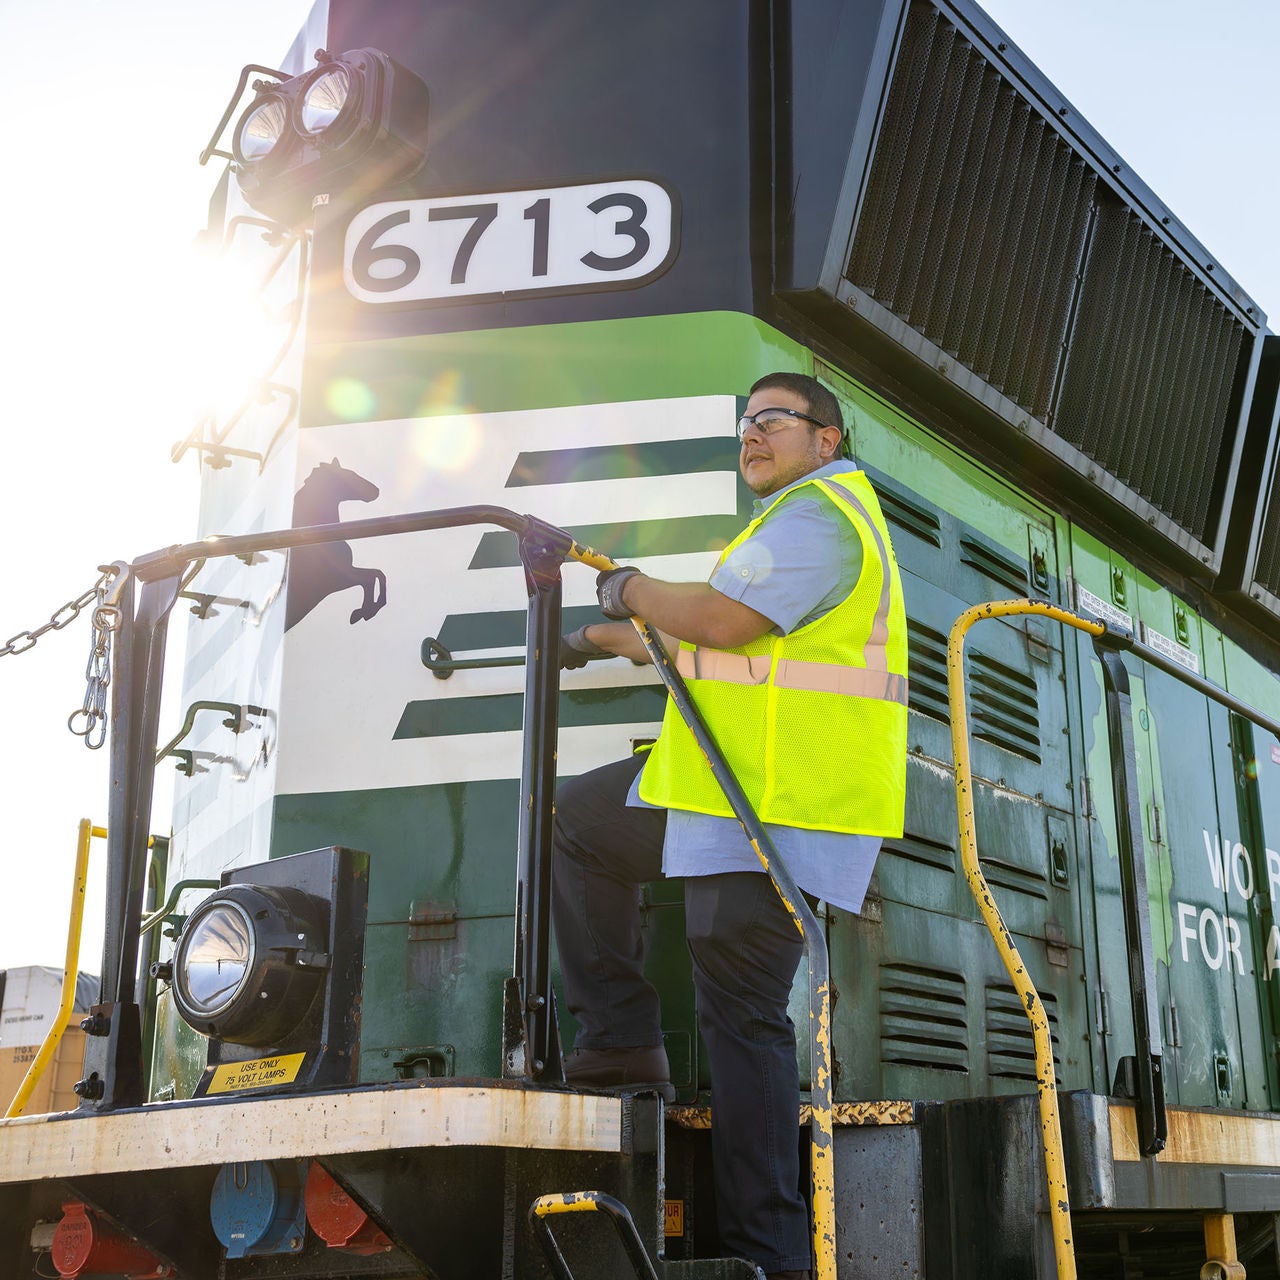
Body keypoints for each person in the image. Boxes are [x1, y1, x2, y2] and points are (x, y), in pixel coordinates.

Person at [552, 372, 908, 1280]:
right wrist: (589, 637)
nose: (752, 435)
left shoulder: (823, 516)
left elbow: (719, 620)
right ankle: (623, 1039)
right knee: (581, 820)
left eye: (774, 421)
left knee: (742, 1020)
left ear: (828, 439)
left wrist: (620, 585)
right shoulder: (781, 528)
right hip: (732, 795)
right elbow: (701, 643)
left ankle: (771, 1254)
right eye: (744, 423)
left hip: (788, 809)